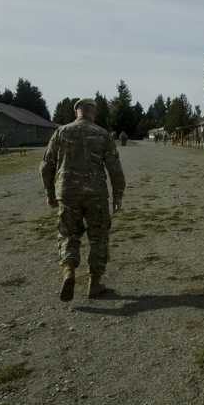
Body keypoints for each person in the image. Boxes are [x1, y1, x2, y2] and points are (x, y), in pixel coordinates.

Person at [40, 98, 126, 301]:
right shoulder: (102, 134)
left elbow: (46, 166)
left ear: (76, 111)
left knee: (68, 234)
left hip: (68, 193)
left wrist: (50, 194)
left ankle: (69, 272)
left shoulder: (61, 132)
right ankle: (94, 284)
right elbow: (115, 169)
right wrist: (118, 194)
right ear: (93, 112)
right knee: (99, 237)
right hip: (95, 194)